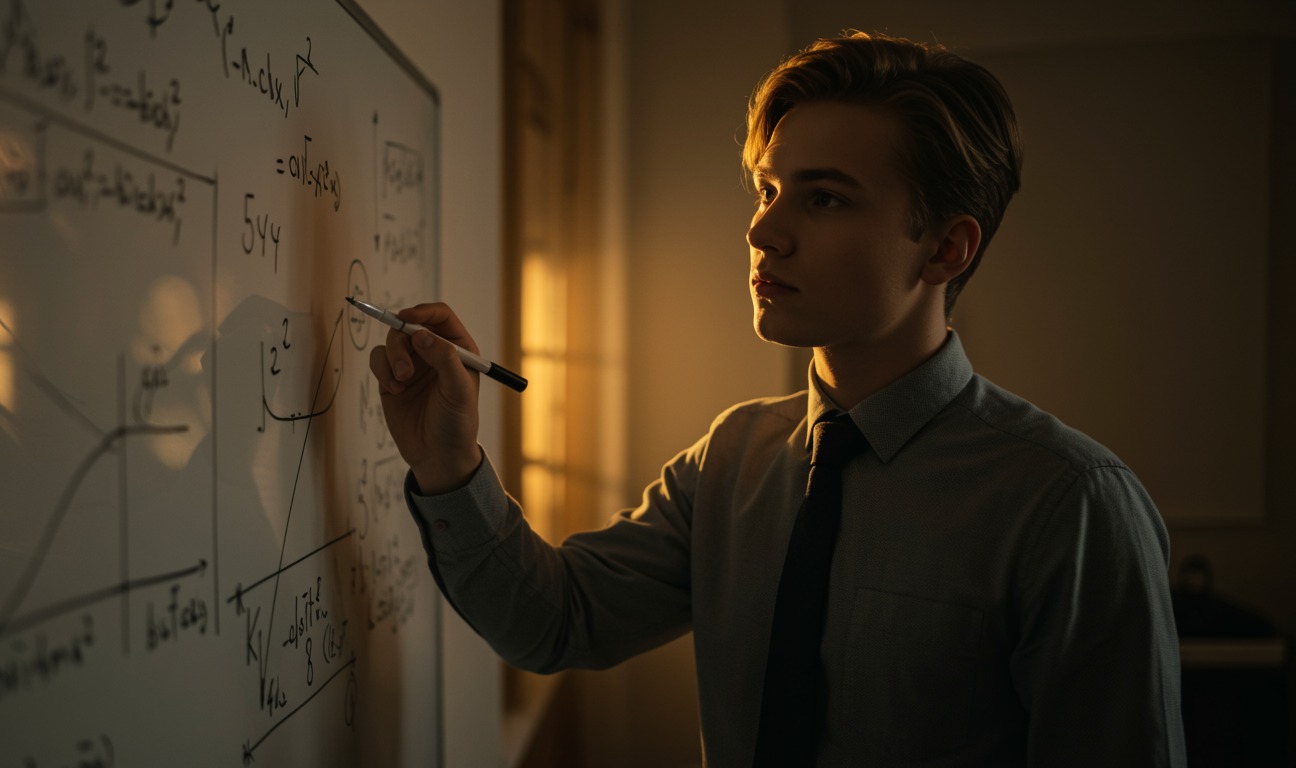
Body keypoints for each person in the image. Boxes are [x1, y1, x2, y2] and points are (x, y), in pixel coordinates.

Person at [369, 32, 1185, 767]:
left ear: (946, 246)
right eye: (767, 190)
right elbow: (556, 620)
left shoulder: (1068, 504)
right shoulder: (735, 459)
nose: (764, 232)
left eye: (823, 198)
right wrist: (448, 462)